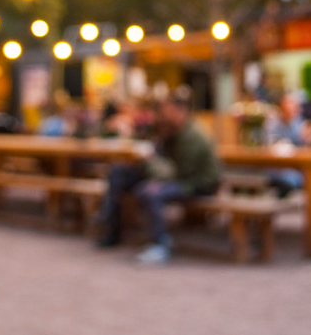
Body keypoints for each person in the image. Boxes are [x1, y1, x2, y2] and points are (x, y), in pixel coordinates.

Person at [95, 89, 221, 264]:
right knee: (119, 172)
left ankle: (160, 244)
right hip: (175, 176)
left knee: (149, 191)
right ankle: (111, 228)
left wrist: (151, 160)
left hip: (197, 183)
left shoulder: (193, 136)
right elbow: (158, 157)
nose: (162, 116)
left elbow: (177, 174)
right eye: (161, 111)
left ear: (181, 112)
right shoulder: (168, 129)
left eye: (167, 111)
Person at [264, 92, 311, 197]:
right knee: (291, 176)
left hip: (297, 166)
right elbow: (270, 146)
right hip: (279, 167)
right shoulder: (272, 124)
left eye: (294, 107)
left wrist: (306, 138)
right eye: (287, 106)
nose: (291, 110)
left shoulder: (299, 123)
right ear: (281, 107)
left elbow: (305, 148)